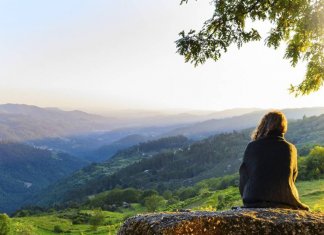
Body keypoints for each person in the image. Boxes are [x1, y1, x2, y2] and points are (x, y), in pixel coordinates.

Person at [239, 111, 309, 210]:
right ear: (283, 127)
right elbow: (292, 177)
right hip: (285, 200)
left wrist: (248, 196)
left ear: (263, 125)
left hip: (253, 199)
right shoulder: (291, 148)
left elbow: (244, 177)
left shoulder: (252, 146)